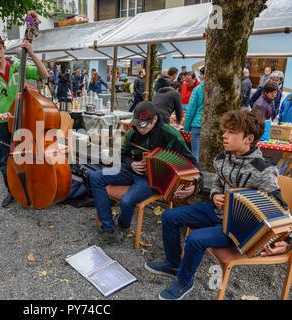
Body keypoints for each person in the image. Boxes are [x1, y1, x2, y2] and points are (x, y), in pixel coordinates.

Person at [145, 110, 290, 300]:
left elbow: (282, 210)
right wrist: (214, 196)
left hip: (240, 229)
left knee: (195, 239)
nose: (224, 135)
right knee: (169, 216)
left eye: (231, 132)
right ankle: (173, 264)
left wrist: (287, 242)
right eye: (225, 130)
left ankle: (184, 282)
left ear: (249, 139)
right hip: (218, 212)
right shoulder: (222, 159)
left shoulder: (263, 171)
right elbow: (217, 184)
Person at [89, 102, 201, 244]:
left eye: (143, 125)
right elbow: (120, 156)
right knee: (95, 177)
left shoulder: (169, 134)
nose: (140, 129)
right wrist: (131, 164)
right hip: (129, 171)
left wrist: (198, 183)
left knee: (126, 201)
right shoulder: (132, 132)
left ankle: (123, 227)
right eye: (137, 124)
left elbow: (191, 161)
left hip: (152, 180)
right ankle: (108, 229)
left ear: (154, 120)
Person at [0, 33, 48, 208]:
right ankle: (12, 191)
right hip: (1, 124)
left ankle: (30, 187)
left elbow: (43, 74)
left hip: (23, 120)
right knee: (5, 160)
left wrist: (31, 53)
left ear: (5, 49)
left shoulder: (18, 66)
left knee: (28, 156)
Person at [183, 66, 205, 163]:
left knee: (195, 152)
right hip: (211, 125)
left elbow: (191, 110)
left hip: (197, 124)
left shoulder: (198, 89)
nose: (199, 76)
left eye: (200, 74)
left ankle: (197, 174)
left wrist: (186, 128)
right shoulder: (220, 90)